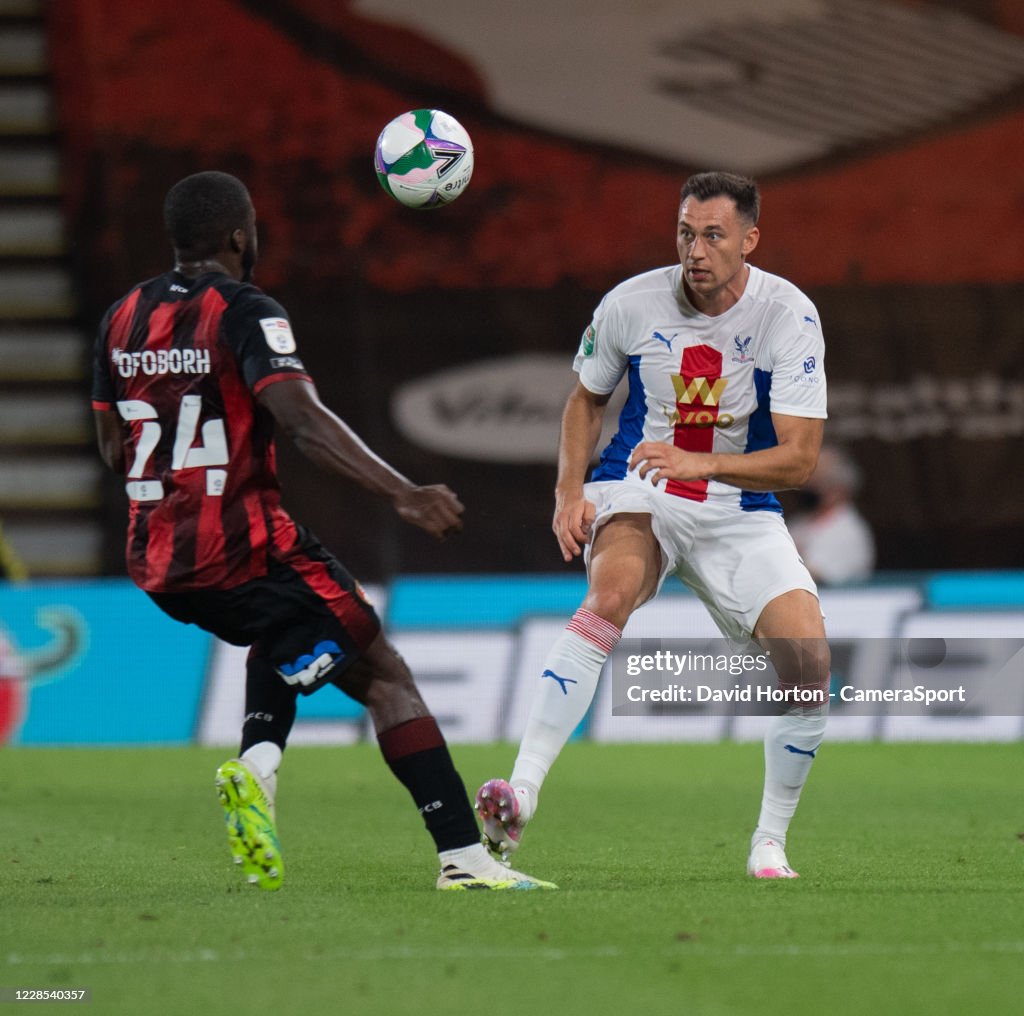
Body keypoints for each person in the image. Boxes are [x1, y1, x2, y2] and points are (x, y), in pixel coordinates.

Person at [91, 170, 554, 892]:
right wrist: (403, 493)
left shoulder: (121, 318)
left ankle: (259, 769)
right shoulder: (245, 310)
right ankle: (463, 860)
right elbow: (302, 420)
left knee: (281, 633)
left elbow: (113, 446)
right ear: (240, 235)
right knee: (387, 678)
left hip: (156, 560)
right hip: (245, 546)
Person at [477, 171, 830, 879]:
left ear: (749, 240)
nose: (694, 250)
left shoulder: (787, 315)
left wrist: (700, 465)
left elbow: (798, 462)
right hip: (641, 484)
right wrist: (568, 491)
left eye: (713, 235)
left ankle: (769, 842)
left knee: (809, 668)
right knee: (609, 596)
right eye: (684, 232)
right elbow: (586, 400)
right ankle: (521, 793)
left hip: (733, 503)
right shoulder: (630, 304)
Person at [787, 444, 875, 585]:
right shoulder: (798, 524)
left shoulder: (849, 531)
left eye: (817, 481)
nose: (806, 485)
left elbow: (813, 574)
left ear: (839, 488)